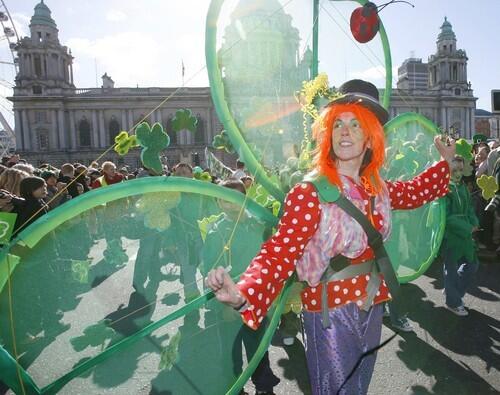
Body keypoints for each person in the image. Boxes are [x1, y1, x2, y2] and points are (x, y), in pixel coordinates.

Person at [207, 79, 455, 395]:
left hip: (372, 303)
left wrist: (444, 162)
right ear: (328, 134)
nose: (345, 131)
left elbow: (416, 191)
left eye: (356, 124)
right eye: (338, 123)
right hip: (330, 312)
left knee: (358, 387)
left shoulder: (376, 187)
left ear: (370, 138)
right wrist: (244, 293)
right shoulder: (310, 193)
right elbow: (279, 252)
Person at [202, 179, 280, 395]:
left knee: (258, 349)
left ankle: (264, 387)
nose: (231, 204)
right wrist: (225, 305)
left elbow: (271, 260)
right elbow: (209, 269)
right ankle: (234, 387)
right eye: (225, 200)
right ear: (218, 202)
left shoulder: (259, 224)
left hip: (255, 301)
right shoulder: (216, 231)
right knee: (229, 351)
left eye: (236, 199)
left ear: (246, 199)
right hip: (226, 305)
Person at [441, 155, 480, 316]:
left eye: (460, 169)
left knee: (472, 265)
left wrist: (474, 222)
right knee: (450, 268)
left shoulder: (462, 187)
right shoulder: (444, 190)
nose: (457, 173)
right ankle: (453, 302)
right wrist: (467, 227)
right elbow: (446, 217)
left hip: (464, 235)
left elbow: (469, 208)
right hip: (450, 236)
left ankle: (452, 290)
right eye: (453, 170)